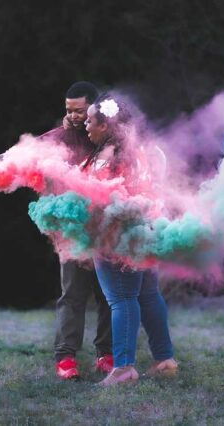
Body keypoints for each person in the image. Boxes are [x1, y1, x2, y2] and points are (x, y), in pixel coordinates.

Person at [81, 96, 178, 386]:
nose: (85, 125)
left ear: (105, 125)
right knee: (148, 294)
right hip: (149, 228)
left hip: (117, 235)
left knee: (122, 298)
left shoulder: (106, 156)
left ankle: (124, 368)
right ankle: (165, 360)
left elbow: (94, 198)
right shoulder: (148, 151)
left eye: (90, 120)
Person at [39, 82, 113, 380]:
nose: (72, 116)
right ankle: (66, 358)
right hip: (71, 229)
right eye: (68, 110)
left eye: (79, 111)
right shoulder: (56, 139)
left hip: (107, 228)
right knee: (71, 295)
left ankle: (107, 354)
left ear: (94, 109)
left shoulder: (107, 135)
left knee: (109, 295)